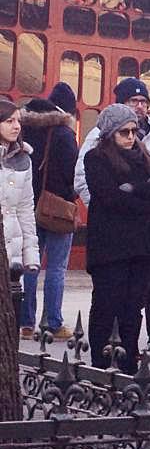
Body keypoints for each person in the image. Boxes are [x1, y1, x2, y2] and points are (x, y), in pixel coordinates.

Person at [75, 78, 150, 353]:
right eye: (124, 132)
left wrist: (133, 189)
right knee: (108, 305)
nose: (131, 137)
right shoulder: (96, 157)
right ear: (110, 134)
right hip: (111, 246)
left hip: (144, 245)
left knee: (133, 308)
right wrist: (144, 199)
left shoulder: (142, 155)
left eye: (133, 131)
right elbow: (108, 196)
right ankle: (102, 362)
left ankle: (129, 361)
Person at [19, 83, 78, 340]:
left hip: (28, 206)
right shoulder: (63, 134)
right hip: (58, 209)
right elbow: (74, 174)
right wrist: (69, 196)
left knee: (30, 264)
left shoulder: (23, 128)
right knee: (56, 268)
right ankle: (53, 322)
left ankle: (25, 322)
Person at [0, 101, 40, 317]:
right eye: (9, 121)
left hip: (12, 248)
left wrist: (31, 256)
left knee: (8, 314)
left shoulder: (23, 159)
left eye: (18, 121)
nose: (16, 126)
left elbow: (25, 209)